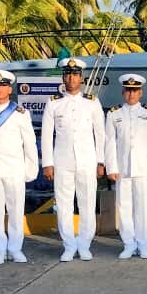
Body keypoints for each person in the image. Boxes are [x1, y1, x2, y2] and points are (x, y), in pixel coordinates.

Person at [40, 57, 106, 262]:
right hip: (62, 162)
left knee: (87, 203)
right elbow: (46, 134)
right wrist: (48, 163)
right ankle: (68, 245)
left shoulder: (92, 103)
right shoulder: (54, 104)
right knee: (64, 204)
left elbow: (100, 134)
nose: (71, 78)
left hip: (87, 160)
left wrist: (101, 161)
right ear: (63, 77)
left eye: (75, 75)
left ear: (81, 78)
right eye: (68, 74)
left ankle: (85, 244)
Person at [0, 70, 38, 266]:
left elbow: (29, 143)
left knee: (15, 211)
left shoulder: (20, 113)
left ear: (9, 88)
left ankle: (15, 248)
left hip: (14, 169)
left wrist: (31, 169)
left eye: (3, 85)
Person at [105, 73, 147, 259]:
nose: (131, 94)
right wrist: (111, 167)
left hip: (144, 168)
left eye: (135, 91)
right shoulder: (114, 113)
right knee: (125, 207)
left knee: (144, 207)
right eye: (128, 90)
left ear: (141, 93)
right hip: (123, 169)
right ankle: (128, 243)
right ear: (123, 92)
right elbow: (110, 142)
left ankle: (144, 244)